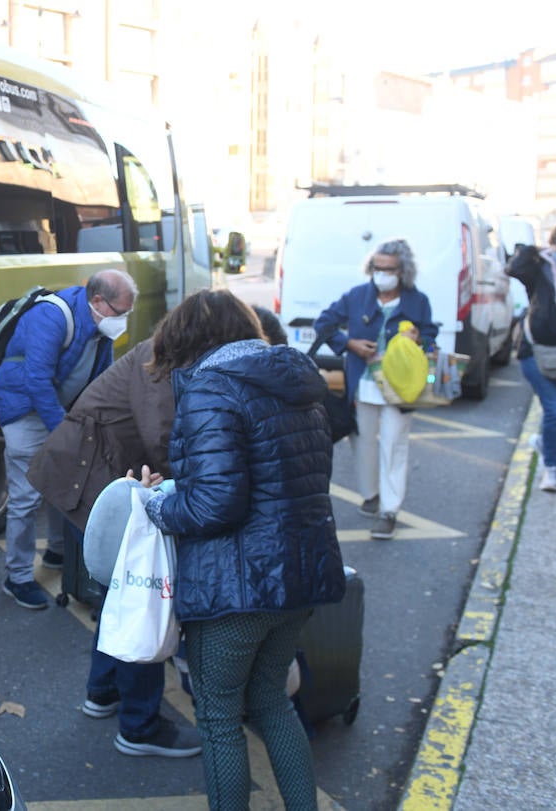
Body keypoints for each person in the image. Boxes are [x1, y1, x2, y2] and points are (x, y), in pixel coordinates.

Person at [140, 290, 345, 811]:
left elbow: (216, 504)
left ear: (185, 339)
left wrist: (158, 506)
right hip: (299, 577)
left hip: (236, 584)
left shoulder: (212, 387)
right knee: (273, 699)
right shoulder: (297, 384)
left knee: (218, 716)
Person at [27, 327, 201, 758]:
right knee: (140, 597)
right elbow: (161, 435)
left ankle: (103, 691)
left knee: (120, 594)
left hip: (96, 478)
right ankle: (139, 727)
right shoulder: (157, 363)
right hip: (92, 480)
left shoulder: (160, 353)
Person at [0, 268, 137, 610]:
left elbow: (103, 381)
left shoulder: (101, 325)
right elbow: (37, 381)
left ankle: (57, 550)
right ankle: (17, 577)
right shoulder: (52, 316)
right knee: (27, 494)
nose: (123, 321)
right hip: (24, 409)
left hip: (56, 409)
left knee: (64, 483)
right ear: (98, 301)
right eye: (121, 312)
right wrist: (64, 431)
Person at [313, 239, 437, 540]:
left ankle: (389, 511)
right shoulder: (357, 296)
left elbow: (431, 337)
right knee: (364, 444)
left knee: (394, 445)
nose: (382, 274)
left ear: (403, 271)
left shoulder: (417, 301)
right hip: (363, 384)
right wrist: (349, 344)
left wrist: (419, 339)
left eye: (389, 269)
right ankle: (371, 495)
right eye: (377, 268)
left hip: (401, 387)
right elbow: (324, 324)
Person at [508, 222, 556, 492]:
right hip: (536, 353)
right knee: (555, 410)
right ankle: (551, 470)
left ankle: (543, 441)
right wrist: (533, 249)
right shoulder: (539, 269)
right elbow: (513, 268)